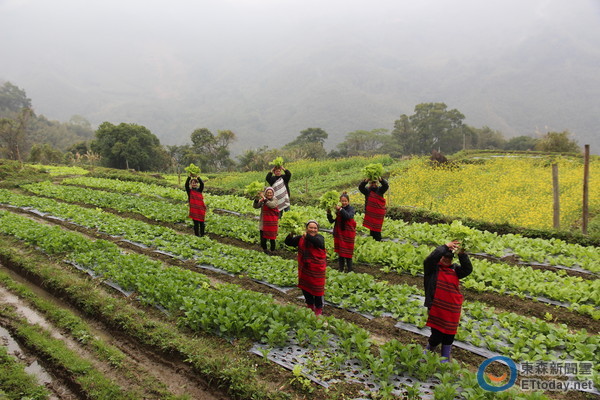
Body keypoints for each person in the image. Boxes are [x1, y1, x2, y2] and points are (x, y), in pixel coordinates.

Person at [423, 240, 473, 363]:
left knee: (449, 333)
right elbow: (431, 258)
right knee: (436, 334)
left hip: (452, 308)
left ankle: (445, 357)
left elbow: (468, 269)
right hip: (436, 307)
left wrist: (462, 254)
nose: (446, 259)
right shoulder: (432, 269)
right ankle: (429, 351)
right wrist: (445, 246)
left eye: (449, 258)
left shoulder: (455, 270)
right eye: (444, 257)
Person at [285, 220, 327, 316]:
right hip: (305, 268)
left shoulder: (319, 238)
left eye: (315, 228)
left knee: (317, 290)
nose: (313, 230)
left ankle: (319, 309)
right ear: (306, 228)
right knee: (306, 288)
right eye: (310, 228)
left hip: (317, 269)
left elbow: (318, 242)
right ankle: (310, 306)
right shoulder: (301, 238)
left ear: (318, 230)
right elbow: (288, 242)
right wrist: (291, 233)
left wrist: (306, 236)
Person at [326, 192, 357, 272]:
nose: (344, 203)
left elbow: (348, 216)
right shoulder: (337, 210)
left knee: (348, 254)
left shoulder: (351, 209)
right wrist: (329, 213)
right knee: (340, 253)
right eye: (342, 201)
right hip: (339, 233)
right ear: (340, 201)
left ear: (348, 201)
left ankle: (350, 270)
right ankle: (341, 269)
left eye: (345, 201)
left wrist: (340, 209)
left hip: (348, 234)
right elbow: (331, 221)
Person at [253, 187, 279, 254]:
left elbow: (271, 205)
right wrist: (256, 200)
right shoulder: (263, 200)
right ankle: (265, 250)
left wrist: (263, 198)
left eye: (271, 193)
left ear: (273, 194)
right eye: (268, 193)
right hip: (264, 222)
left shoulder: (275, 200)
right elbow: (256, 206)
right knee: (263, 238)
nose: (269, 194)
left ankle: (272, 251)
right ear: (266, 193)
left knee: (272, 238)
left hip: (272, 222)